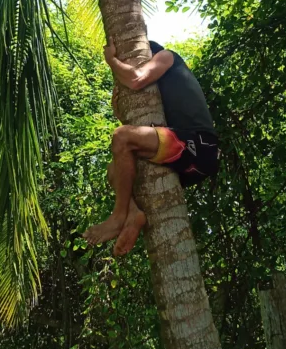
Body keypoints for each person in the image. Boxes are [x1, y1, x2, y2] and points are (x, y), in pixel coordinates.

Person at [82, 39, 221, 256]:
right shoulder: (164, 88)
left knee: (122, 136)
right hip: (183, 151)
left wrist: (111, 61)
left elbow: (136, 79)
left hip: (201, 146)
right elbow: (140, 119)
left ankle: (118, 216)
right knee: (113, 171)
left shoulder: (167, 57)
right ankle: (133, 214)